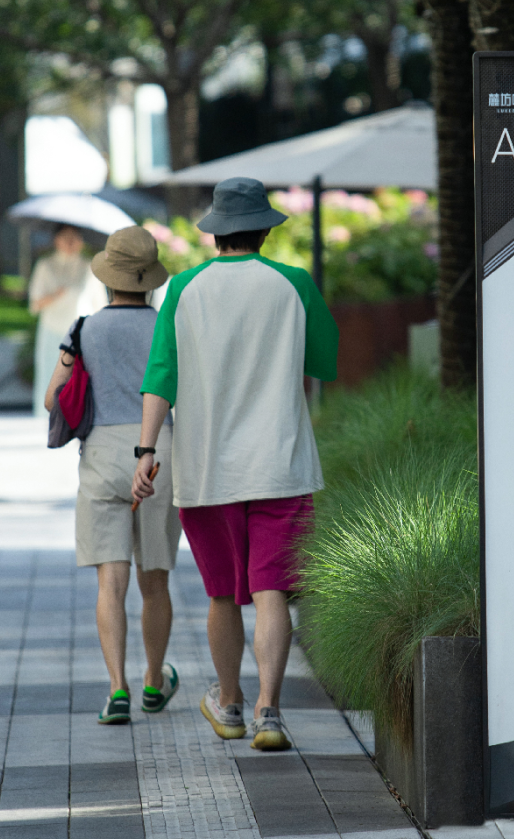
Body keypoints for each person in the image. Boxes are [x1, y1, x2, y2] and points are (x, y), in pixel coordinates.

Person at [131, 176, 338, 752]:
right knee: (271, 591)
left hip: (207, 468)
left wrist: (146, 453)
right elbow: (325, 360)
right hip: (281, 464)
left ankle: (229, 705)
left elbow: (160, 376)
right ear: (266, 230)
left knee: (224, 594)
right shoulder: (294, 284)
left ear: (215, 231)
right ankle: (270, 712)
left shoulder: (184, 288)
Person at [45, 225, 180, 725]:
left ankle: (117, 688)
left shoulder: (83, 329)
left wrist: (68, 357)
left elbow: (51, 399)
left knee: (111, 583)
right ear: (149, 281)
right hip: (159, 453)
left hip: (101, 456)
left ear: (108, 278)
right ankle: (153, 681)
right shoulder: (167, 326)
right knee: (156, 582)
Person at [29, 224, 98, 417]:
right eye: (65, 237)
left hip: (81, 331)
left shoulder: (89, 266)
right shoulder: (46, 265)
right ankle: (50, 418)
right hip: (53, 328)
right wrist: (55, 295)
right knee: (51, 375)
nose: (70, 242)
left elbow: (98, 303)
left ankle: (81, 418)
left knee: (81, 377)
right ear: (56, 240)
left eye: (75, 237)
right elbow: (34, 304)